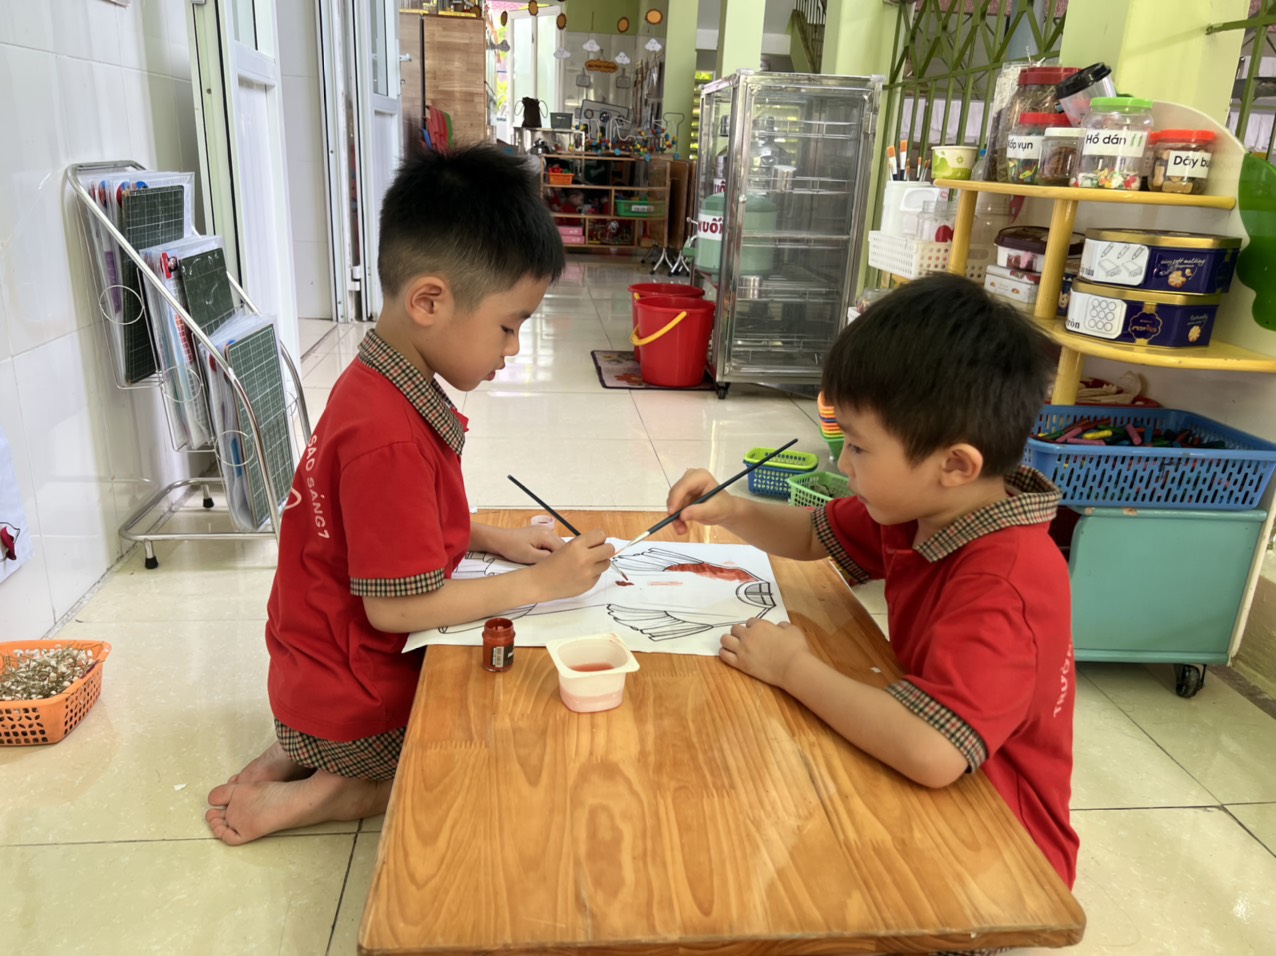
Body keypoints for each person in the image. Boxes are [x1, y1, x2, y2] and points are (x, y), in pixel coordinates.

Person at [206, 145, 615, 845]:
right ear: (429, 301)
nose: (514, 349)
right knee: (494, 732)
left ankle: (305, 748)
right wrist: (541, 584)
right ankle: (340, 784)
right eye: (509, 326)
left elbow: (393, 526)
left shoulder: (376, 383)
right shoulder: (387, 438)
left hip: (310, 674)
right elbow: (395, 609)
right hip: (356, 699)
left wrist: (494, 538)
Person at [666, 274, 1079, 890]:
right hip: (924, 786)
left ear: (954, 464)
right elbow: (815, 535)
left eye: (858, 448)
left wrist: (791, 668)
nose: (842, 463)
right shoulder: (929, 507)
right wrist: (733, 510)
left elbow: (932, 751)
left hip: (1000, 856)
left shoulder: (1005, 583)